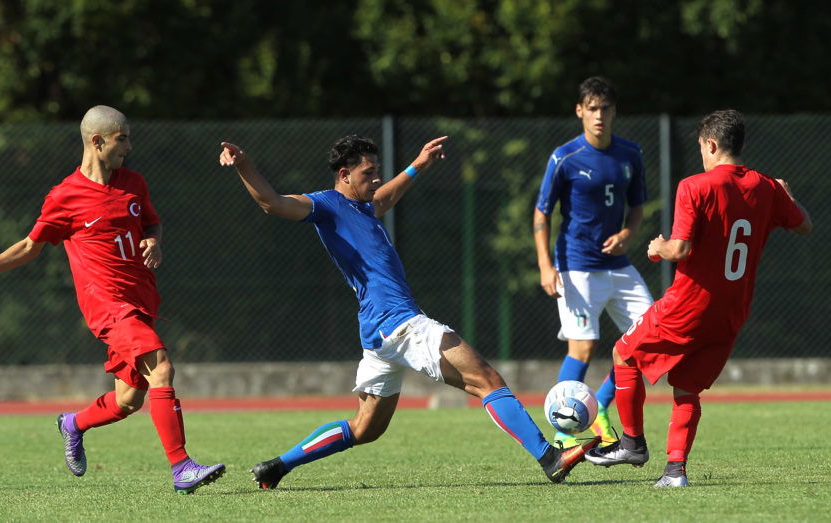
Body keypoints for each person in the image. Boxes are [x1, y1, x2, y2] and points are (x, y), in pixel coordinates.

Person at [218, 135, 600, 487]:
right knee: (485, 379)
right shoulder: (326, 205)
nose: (375, 179)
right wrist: (244, 164)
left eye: (377, 172)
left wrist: (418, 164)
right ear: (344, 174)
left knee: (365, 428)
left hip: (377, 332)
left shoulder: (363, 208)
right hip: (399, 322)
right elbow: (272, 202)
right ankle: (551, 457)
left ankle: (277, 466)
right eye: (368, 173)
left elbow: (386, 197)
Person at [0, 105, 225, 494]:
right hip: (108, 306)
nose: (128, 146)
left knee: (128, 400)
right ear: (97, 142)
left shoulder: (133, 182)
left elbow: (151, 221)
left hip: (142, 301)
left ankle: (73, 424)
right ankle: (182, 468)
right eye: (121, 139)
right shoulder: (66, 196)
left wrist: (155, 242)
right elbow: (30, 246)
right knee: (162, 369)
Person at [585, 109, 812, 487]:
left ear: (711, 144)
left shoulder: (696, 186)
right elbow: (805, 224)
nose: (701, 157)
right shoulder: (767, 188)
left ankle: (632, 443)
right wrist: (787, 194)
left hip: (687, 305)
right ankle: (675, 472)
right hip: (730, 313)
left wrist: (658, 248)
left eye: (702, 150)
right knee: (687, 388)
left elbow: (681, 249)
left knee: (623, 353)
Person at [534, 76, 654, 449]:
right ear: (580, 112)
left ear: (614, 111)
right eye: (592, 109)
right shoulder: (564, 156)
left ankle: (599, 405)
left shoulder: (630, 153)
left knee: (652, 337)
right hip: (576, 266)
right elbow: (542, 213)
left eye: (605, 108)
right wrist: (544, 265)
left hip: (618, 266)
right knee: (582, 349)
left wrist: (628, 235)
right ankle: (562, 431)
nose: (599, 115)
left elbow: (637, 206)